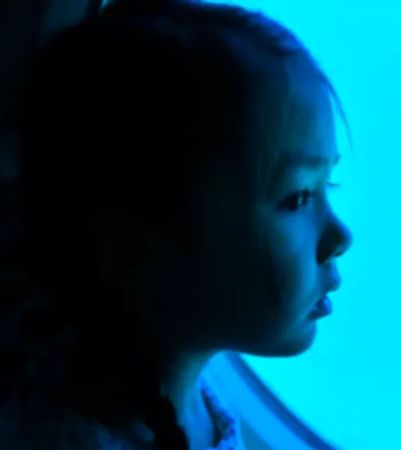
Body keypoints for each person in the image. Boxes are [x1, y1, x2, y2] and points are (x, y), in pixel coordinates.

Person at [0, 0, 353, 448]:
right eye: (297, 197)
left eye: (329, 186)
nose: (342, 236)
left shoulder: (195, 404)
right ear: (138, 248)